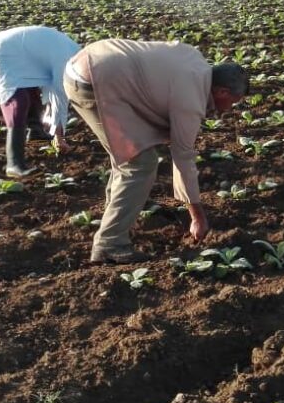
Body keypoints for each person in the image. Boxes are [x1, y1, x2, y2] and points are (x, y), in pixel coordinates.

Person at [63, 39, 249, 264]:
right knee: (139, 163)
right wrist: (197, 216)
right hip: (96, 81)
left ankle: (115, 216)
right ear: (221, 91)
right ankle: (110, 244)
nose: (229, 109)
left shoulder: (195, 62)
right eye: (233, 102)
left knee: (128, 156)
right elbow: (183, 157)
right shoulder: (190, 98)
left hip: (91, 64)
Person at [0, 25, 80, 176]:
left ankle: (35, 131)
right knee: (18, 100)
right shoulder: (67, 59)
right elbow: (59, 96)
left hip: (17, 55)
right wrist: (59, 137)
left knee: (32, 91)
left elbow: (52, 88)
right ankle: (14, 164)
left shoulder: (73, 51)